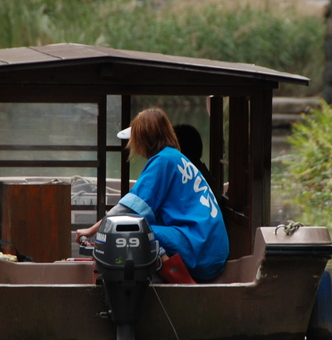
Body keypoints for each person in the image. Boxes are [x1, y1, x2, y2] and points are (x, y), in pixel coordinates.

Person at [75, 108, 229, 282]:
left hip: (199, 248)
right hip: (213, 250)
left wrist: (91, 230)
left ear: (144, 139)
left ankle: (187, 287)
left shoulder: (163, 160)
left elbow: (126, 210)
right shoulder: (176, 157)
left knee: (139, 231)